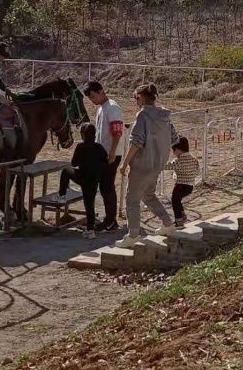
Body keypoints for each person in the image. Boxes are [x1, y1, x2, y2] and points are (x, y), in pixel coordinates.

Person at [117, 83, 178, 248]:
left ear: (142, 98)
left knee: (132, 200)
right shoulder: (164, 116)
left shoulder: (143, 116)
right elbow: (174, 138)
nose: (136, 101)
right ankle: (167, 223)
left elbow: (136, 142)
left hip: (142, 166)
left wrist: (125, 163)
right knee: (149, 195)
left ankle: (133, 234)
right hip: (157, 165)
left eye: (136, 98)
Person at [84, 81, 125, 231]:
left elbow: (117, 131)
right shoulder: (102, 108)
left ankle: (111, 220)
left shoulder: (113, 108)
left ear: (101, 91)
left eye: (94, 96)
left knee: (107, 187)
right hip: (103, 152)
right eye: (90, 98)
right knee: (104, 187)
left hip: (111, 153)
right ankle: (109, 218)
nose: (93, 100)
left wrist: (113, 151)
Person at [58, 123, 105, 239]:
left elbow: (74, 163)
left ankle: (62, 194)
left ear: (83, 135)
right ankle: (90, 230)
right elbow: (105, 162)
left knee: (66, 171)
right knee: (90, 205)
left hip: (82, 177)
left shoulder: (80, 147)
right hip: (94, 180)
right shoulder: (99, 147)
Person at [165, 137, 200, 227]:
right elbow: (197, 171)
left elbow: (167, 166)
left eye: (174, 150)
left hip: (180, 185)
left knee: (174, 200)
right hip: (190, 186)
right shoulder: (194, 159)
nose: (173, 153)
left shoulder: (178, 161)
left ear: (178, 149)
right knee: (178, 200)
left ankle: (179, 220)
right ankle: (182, 215)